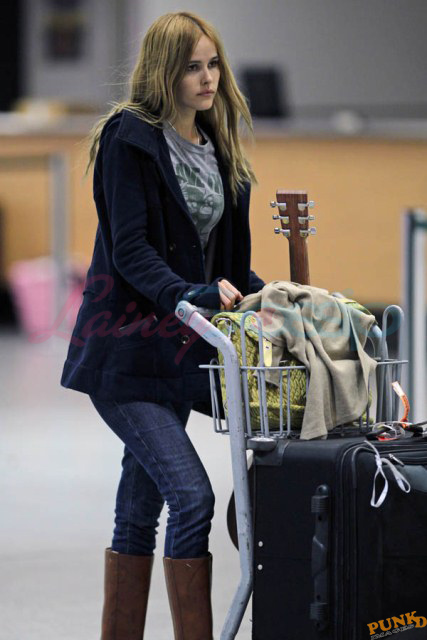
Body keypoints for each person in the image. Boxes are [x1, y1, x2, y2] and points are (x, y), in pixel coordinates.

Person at [61, 10, 264, 640]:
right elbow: (130, 249)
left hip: (177, 354)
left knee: (138, 508)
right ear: (164, 73)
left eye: (213, 64)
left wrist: (276, 296)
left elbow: (227, 263)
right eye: (191, 67)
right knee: (192, 497)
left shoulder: (219, 148)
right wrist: (187, 295)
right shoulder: (130, 139)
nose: (207, 78)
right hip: (123, 351)